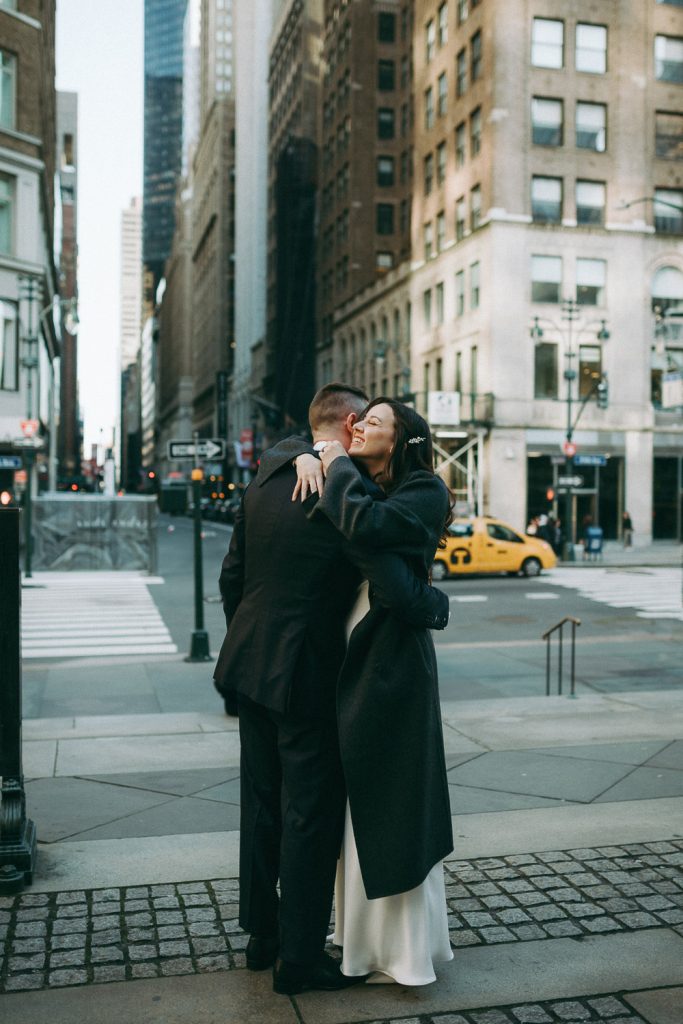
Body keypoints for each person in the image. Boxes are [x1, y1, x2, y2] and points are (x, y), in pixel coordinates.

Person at [213, 384, 449, 996]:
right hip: (305, 675)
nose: (366, 427)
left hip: (247, 662)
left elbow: (233, 573)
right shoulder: (345, 491)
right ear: (348, 425)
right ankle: (298, 960)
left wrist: (249, 640)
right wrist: (435, 604)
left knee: (261, 806)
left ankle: (262, 936)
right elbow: (392, 587)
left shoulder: (266, 477)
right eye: (363, 418)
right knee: (309, 815)